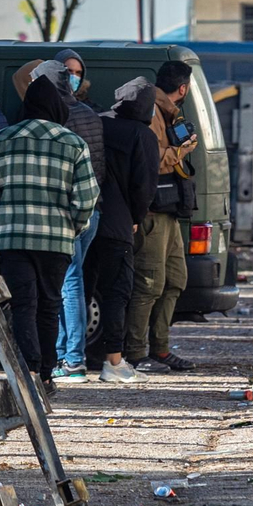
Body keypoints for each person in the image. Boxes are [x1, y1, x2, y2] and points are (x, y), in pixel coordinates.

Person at [0, 76, 99, 396]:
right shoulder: (73, 143)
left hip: (14, 239)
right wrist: (74, 227)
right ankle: (45, 374)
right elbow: (87, 198)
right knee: (50, 305)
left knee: (23, 305)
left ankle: (27, 369)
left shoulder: (1, 139)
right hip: (56, 240)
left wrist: (0, 220)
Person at [13, 55, 106, 383]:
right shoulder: (90, 114)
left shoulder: (49, 120)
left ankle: (70, 358)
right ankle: (72, 357)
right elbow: (98, 168)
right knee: (73, 282)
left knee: (60, 287)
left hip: (59, 214)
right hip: (89, 209)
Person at [124, 60, 201, 372]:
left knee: (175, 280)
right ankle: (136, 353)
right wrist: (183, 150)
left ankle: (161, 348)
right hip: (152, 212)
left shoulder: (170, 112)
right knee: (149, 284)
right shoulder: (152, 112)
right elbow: (152, 161)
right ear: (183, 88)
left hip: (169, 212)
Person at [90, 78, 159, 383]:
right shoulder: (141, 134)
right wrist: (136, 216)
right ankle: (114, 362)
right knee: (117, 293)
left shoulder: (98, 122)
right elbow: (144, 185)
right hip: (118, 222)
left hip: (85, 216)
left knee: (77, 290)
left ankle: (70, 358)